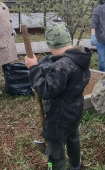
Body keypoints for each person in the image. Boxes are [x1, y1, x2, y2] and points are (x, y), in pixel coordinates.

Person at [26, 23, 92, 170]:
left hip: (59, 116)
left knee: (55, 152)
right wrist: (40, 82)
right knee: (73, 138)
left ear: (50, 46)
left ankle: (55, 167)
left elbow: (46, 91)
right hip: (75, 110)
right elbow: (62, 83)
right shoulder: (80, 57)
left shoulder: (62, 66)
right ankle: (76, 165)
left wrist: (34, 69)